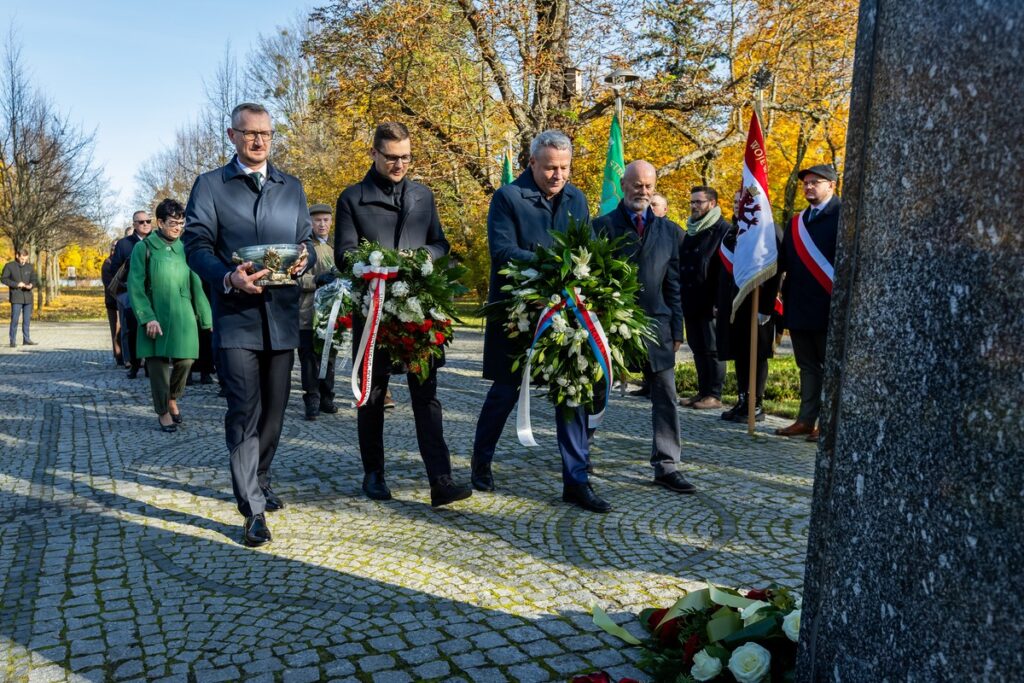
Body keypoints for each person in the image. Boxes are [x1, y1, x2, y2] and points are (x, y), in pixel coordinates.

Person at [183, 102, 315, 547]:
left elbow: (307, 242)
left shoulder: (290, 186)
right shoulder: (210, 186)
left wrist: (306, 259)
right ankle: (251, 508)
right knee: (244, 409)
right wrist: (226, 276)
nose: (258, 140)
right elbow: (196, 243)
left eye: (266, 133)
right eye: (249, 133)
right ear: (231, 135)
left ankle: (260, 477)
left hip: (281, 316)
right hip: (235, 316)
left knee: (275, 410)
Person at [335, 122, 472, 508]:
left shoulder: (423, 195)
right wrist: (379, 263)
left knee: (426, 397)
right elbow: (345, 254)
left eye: (406, 157)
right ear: (374, 154)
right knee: (373, 395)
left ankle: (440, 479)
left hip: (418, 310)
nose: (399, 164)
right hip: (374, 310)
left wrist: (426, 256)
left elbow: (440, 243)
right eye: (392, 157)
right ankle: (374, 473)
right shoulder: (351, 198)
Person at [471, 130, 607, 512]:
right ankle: (481, 461)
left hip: (565, 312)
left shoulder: (576, 198)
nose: (558, 175)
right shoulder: (508, 197)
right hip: (518, 312)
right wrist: (553, 263)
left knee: (572, 390)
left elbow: (586, 249)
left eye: (564, 168)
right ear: (532, 163)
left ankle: (576, 480)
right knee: (505, 392)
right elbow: (502, 251)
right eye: (550, 168)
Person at [593, 161, 697, 495]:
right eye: (637, 185)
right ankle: (580, 452)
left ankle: (667, 465)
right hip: (612, 325)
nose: (644, 192)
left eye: (649, 186)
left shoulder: (669, 231)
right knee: (595, 390)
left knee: (666, 395)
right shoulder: (601, 227)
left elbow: (675, 285)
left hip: (658, 325)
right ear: (623, 185)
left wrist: (678, 330)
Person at [128, 198, 212, 433]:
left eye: (181, 223)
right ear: (160, 222)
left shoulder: (186, 248)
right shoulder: (143, 248)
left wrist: (206, 317)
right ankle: (163, 411)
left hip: (183, 315)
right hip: (154, 316)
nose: (178, 227)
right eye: (173, 222)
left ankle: (172, 397)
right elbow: (135, 286)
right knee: (157, 367)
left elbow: (196, 282)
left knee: (186, 360)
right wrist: (147, 317)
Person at [775, 164, 841, 442]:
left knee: (832, 368)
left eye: (815, 182)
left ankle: (829, 423)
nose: (809, 187)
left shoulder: (844, 216)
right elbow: (786, 263)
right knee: (807, 367)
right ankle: (805, 419)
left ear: (832, 186)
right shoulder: (797, 222)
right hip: (800, 306)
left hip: (830, 308)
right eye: (806, 183)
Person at [717, 191, 781, 423]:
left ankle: (756, 403)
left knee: (756, 354)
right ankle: (743, 399)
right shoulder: (732, 232)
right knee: (740, 354)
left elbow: (774, 273)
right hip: (733, 305)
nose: (737, 207)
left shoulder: (769, 231)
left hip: (757, 305)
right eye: (735, 203)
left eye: (743, 203)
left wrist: (766, 307)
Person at [678, 186, 731, 410]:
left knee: (712, 348)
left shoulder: (723, 230)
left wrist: (721, 302)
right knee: (697, 347)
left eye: (698, 202)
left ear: (712, 204)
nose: (694, 206)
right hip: (692, 298)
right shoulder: (691, 229)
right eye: (692, 202)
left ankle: (714, 394)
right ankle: (702, 392)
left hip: (712, 301)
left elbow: (724, 270)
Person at [298, 203, 338, 421]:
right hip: (307, 313)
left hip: (331, 313)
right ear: (310, 223)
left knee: (329, 357)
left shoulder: (335, 248)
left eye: (326, 220)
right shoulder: (303, 248)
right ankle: (311, 399)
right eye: (317, 220)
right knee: (309, 359)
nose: (322, 224)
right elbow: (293, 279)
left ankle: (326, 396)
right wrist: (316, 280)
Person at [111, 211, 154, 377]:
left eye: (148, 221)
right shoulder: (124, 244)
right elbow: (115, 268)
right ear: (134, 224)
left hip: (153, 291)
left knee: (151, 327)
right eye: (141, 221)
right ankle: (134, 365)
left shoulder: (156, 240)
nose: (145, 224)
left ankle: (151, 365)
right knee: (132, 329)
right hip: (131, 292)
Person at [2, 249, 39, 347]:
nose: (23, 261)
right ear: (17, 256)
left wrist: (31, 285)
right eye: (22, 259)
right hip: (16, 297)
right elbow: (4, 279)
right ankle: (12, 340)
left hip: (28, 297)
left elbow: (35, 279)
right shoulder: (9, 266)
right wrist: (16, 284)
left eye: (25, 259)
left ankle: (26, 339)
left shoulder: (30, 267)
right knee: (15, 319)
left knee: (27, 320)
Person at [100, 241, 123, 365]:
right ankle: (119, 355)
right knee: (116, 329)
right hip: (113, 302)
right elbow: (109, 284)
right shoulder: (107, 263)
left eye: (116, 248)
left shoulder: (121, 262)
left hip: (122, 300)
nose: (114, 250)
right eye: (113, 247)